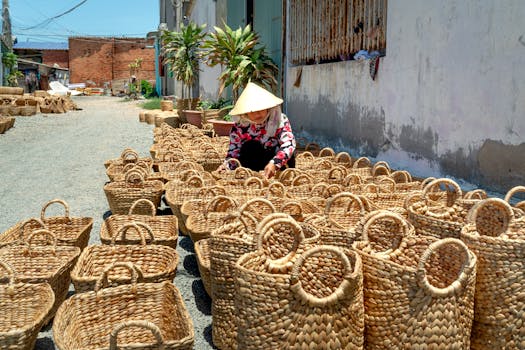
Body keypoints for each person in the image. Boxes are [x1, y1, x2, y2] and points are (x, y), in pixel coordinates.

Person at [217, 82, 296, 179]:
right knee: (249, 147)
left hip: (277, 164)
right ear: (246, 113)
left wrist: (274, 163)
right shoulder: (240, 126)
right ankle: (254, 178)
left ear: (267, 108)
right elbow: (234, 151)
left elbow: (289, 144)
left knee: (289, 154)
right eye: (252, 111)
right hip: (254, 164)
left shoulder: (279, 120)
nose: (257, 114)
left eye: (261, 109)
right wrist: (226, 166)